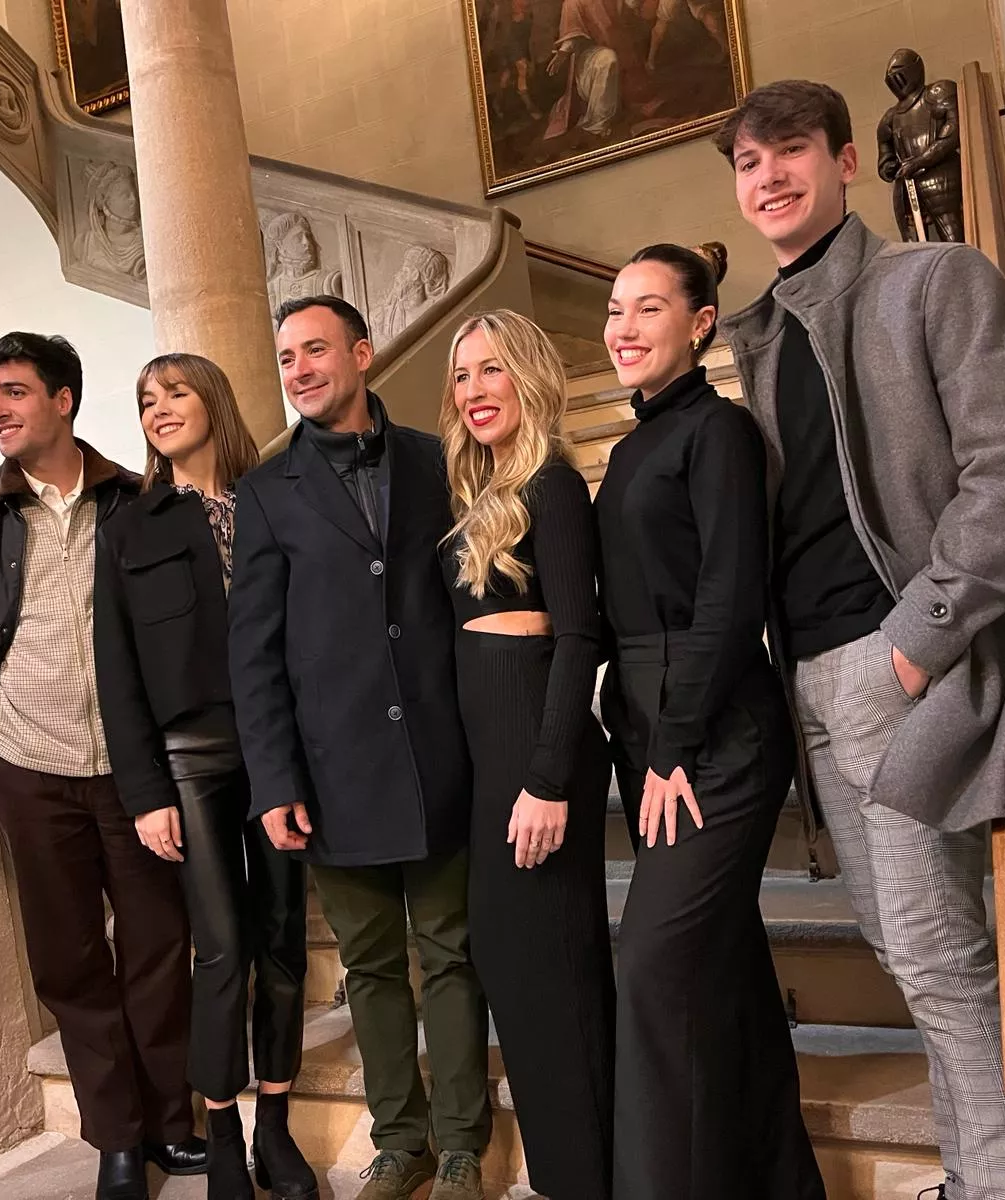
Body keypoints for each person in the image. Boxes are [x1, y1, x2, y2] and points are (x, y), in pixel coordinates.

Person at [715, 80, 1005, 1199]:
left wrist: (915, 642)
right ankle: (977, 1180)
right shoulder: (764, 336)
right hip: (812, 684)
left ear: (844, 163)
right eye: (748, 162)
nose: (768, 176)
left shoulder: (934, 281)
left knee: (940, 960)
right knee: (907, 953)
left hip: (896, 667)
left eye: (789, 150)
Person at [0, 333, 205, 1200]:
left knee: (158, 948)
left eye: (14, 392)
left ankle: (172, 1122)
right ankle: (117, 1138)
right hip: (29, 770)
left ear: (63, 399)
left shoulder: (136, 501)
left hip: (136, 775)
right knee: (70, 962)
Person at [228, 296, 490, 1200]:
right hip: (332, 775)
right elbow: (254, 655)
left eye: (315, 350)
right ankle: (400, 1143)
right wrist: (274, 781)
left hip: (440, 756)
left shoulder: (437, 459)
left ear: (363, 353)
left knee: (451, 955)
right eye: (286, 357)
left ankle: (461, 1147)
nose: (299, 370)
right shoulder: (267, 492)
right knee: (372, 967)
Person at [595, 244, 825, 1199]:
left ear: (699, 325)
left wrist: (675, 744)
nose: (623, 327)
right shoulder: (628, 449)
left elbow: (730, 602)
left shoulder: (719, 432)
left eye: (649, 308)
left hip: (715, 733)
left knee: (653, 967)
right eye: (616, 309)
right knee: (723, 969)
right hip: (651, 730)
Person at [100, 353, 315, 1200]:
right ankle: (221, 1127)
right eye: (145, 400)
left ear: (214, 401)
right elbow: (116, 671)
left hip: (281, 751)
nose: (158, 409)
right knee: (222, 948)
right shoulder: (130, 526)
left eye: (175, 393)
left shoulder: (275, 501)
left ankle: (276, 1128)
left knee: (284, 943)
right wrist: (145, 793)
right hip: (189, 758)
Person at [438, 310, 615, 1200]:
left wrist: (548, 777)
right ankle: (565, 1173)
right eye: (462, 374)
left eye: (492, 369)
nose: (474, 390)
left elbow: (580, 637)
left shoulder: (553, 485)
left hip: (537, 756)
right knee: (513, 969)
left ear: (530, 377)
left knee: (556, 973)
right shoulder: (479, 495)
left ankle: (592, 1177)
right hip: (489, 759)